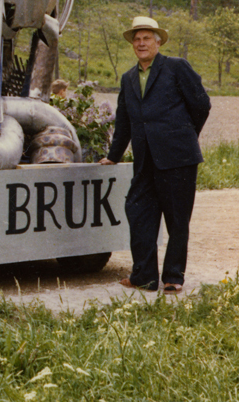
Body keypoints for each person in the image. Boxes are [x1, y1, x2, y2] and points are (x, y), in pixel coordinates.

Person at [99, 16, 210, 294]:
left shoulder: (176, 67)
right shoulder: (128, 78)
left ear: (158, 42)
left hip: (178, 158)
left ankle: (173, 277)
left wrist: (183, 135)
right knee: (137, 211)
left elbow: (201, 105)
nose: (141, 43)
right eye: (136, 39)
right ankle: (145, 277)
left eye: (147, 38)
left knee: (177, 219)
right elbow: (123, 121)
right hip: (145, 160)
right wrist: (113, 155)